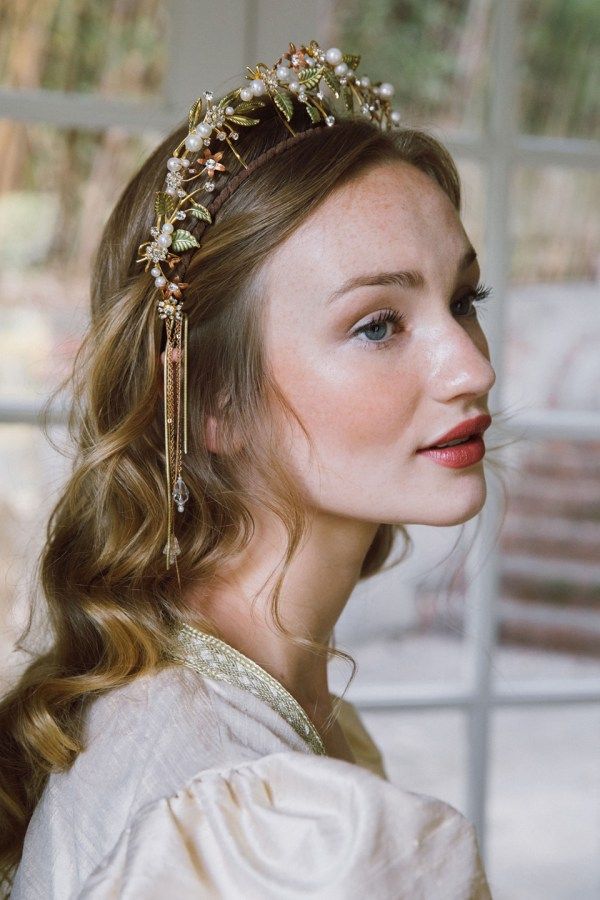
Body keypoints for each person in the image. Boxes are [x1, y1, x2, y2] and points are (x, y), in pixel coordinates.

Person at [0, 40, 495, 898]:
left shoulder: (229, 716)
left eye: (462, 302)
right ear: (211, 404)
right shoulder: (255, 824)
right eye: (378, 323)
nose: (472, 368)